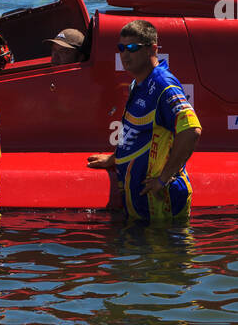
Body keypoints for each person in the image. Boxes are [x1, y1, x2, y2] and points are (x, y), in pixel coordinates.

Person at [86, 20, 202, 223]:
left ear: (152, 49)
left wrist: (164, 178)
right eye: (121, 48)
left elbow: (191, 130)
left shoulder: (163, 85)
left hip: (161, 202)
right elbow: (138, 133)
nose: (125, 54)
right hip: (141, 202)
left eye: (132, 48)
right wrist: (115, 158)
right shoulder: (139, 84)